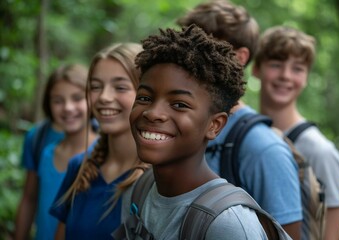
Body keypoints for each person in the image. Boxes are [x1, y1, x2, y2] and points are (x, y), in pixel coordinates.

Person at [116, 24, 285, 240]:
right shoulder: (138, 191)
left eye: (179, 104)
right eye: (145, 98)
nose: (153, 113)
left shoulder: (228, 224)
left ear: (214, 125)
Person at [177, 0, 302, 239]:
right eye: (187, 45)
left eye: (204, 47)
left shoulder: (262, 148)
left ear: (240, 56)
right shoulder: (185, 127)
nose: (189, 57)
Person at [252, 25, 339, 240]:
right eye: (276, 65)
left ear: (305, 77)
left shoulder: (321, 152)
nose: (285, 75)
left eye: (297, 69)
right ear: (256, 69)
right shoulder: (248, 138)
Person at [49, 43, 149, 240]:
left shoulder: (159, 181)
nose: (104, 97)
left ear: (146, 95)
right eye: (95, 87)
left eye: (120, 87)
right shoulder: (79, 167)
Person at [14, 64, 98, 240]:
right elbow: (29, 198)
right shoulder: (46, 153)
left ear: (91, 99)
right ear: (48, 104)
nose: (67, 107)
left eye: (77, 98)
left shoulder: (104, 153)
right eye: (58, 100)